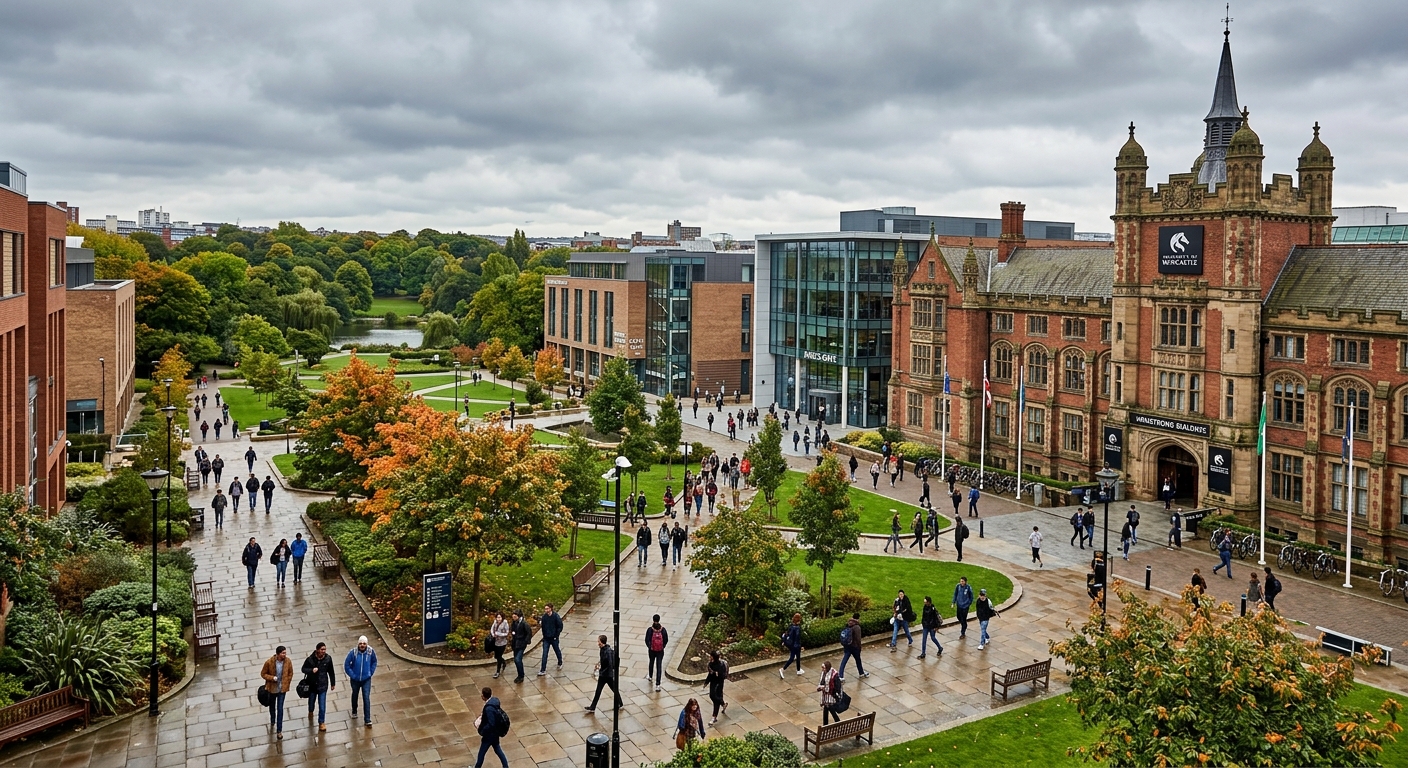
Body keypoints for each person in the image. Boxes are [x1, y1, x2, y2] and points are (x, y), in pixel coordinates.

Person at [302, 642, 337, 731]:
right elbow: (303, 669)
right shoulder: (310, 659)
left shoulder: (328, 659)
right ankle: (310, 711)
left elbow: (331, 672)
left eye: (324, 649)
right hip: (312, 686)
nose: (323, 651)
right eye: (322, 649)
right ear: (317, 650)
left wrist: (333, 683)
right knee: (311, 703)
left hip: (323, 685)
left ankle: (321, 722)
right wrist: (311, 670)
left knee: (322, 706)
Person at [260, 645, 294, 738]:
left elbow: (290, 673)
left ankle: (279, 730)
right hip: (272, 689)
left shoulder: (288, 661)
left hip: (282, 689)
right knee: (272, 706)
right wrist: (272, 678)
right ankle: (272, 719)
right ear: (278, 654)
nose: (285, 655)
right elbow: (263, 674)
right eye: (283, 653)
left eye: (285, 653)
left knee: (280, 708)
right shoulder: (269, 662)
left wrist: (287, 681)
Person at [344, 636, 378, 726]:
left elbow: (374, 662)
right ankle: (354, 710)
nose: (362, 645)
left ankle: (367, 719)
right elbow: (347, 664)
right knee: (355, 694)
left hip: (366, 679)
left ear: (366, 644)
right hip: (355, 680)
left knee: (366, 697)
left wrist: (370, 672)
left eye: (364, 643)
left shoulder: (371, 652)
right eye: (360, 643)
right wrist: (353, 675)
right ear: (358, 644)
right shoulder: (353, 653)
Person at [474, 687, 509, 768]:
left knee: (481, 754)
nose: (481, 696)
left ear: (484, 696)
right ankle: (506, 766)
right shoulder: (494, 702)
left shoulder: (489, 708)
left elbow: (491, 723)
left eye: (482, 694)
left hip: (489, 735)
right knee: (498, 749)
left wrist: (482, 730)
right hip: (495, 734)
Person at [585, 635, 617, 713]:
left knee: (613, 689)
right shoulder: (602, 649)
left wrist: (600, 669)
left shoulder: (607, 651)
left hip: (607, 675)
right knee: (598, 691)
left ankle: (620, 703)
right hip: (604, 675)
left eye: (598, 641)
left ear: (602, 642)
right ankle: (593, 707)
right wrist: (599, 664)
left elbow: (609, 663)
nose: (597, 643)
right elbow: (603, 660)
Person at [643, 614, 670, 691]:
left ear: (653, 620)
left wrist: (650, 646)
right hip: (660, 651)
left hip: (652, 650)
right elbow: (666, 639)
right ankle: (658, 684)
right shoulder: (663, 630)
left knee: (651, 662)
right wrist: (662, 646)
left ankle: (650, 676)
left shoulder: (650, 630)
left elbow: (646, 639)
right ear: (659, 620)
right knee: (659, 666)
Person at [837, 613, 867, 680]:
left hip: (847, 645)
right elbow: (858, 639)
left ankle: (840, 675)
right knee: (858, 660)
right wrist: (859, 647)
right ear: (858, 618)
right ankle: (861, 673)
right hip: (854, 647)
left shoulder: (848, 624)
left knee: (844, 661)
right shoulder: (857, 627)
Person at [538, 603, 563, 674]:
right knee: (544, 653)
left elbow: (560, 626)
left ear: (551, 608)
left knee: (557, 650)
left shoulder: (556, 617)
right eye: (545, 609)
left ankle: (560, 661)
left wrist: (556, 635)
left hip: (554, 638)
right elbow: (543, 627)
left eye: (547, 608)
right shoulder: (544, 617)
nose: (546, 610)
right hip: (546, 638)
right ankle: (543, 669)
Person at [705, 651, 728, 724]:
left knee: (715, 699)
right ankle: (723, 703)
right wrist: (706, 682)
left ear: (713, 657)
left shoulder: (721, 665)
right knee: (712, 696)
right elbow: (710, 674)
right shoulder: (710, 664)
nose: (709, 657)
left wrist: (717, 674)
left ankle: (714, 717)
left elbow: (723, 676)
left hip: (719, 683)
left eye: (711, 656)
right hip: (713, 682)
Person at [509, 609, 530, 683]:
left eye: (515, 615)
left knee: (517, 659)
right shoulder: (514, 623)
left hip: (521, 644)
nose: (513, 617)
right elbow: (512, 630)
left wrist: (525, 642)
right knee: (516, 660)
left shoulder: (524, 623)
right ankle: (519, 674)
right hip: (515, 644)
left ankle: (521, 676)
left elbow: (528, 633)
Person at [780, 613, 804, 677]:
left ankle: (798, 670)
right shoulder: (797, 628)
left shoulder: (791, 626)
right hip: (796, 646)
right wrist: (800, 646)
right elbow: (797, 638)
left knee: (798, 657)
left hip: (792, 645)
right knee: (792, 658)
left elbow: (788, 634)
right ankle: (783, 669)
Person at [490, 612, 510, 678]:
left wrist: (499, 634)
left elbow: (506, 633)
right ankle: (503, 662)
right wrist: (493, 634)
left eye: (500, 617)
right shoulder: (495, 622)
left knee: (498, 657)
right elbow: (492, 629)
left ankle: (497, 671)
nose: (498, 619)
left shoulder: (505, 623)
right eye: (497, 617)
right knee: (496, 656)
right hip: (495, 642)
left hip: (502, 643)